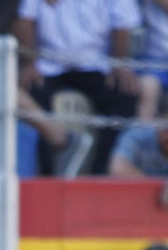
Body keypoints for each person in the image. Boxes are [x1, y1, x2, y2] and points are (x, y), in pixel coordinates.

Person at [14, 0, 142, 175]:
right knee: (30, 95)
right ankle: (45, 176)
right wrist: (29, 62)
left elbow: (122, 23)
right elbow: (25, 18)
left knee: (124, 94)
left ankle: (104, 174)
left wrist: (118, 63)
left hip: (96, 63)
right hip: (48, 64)